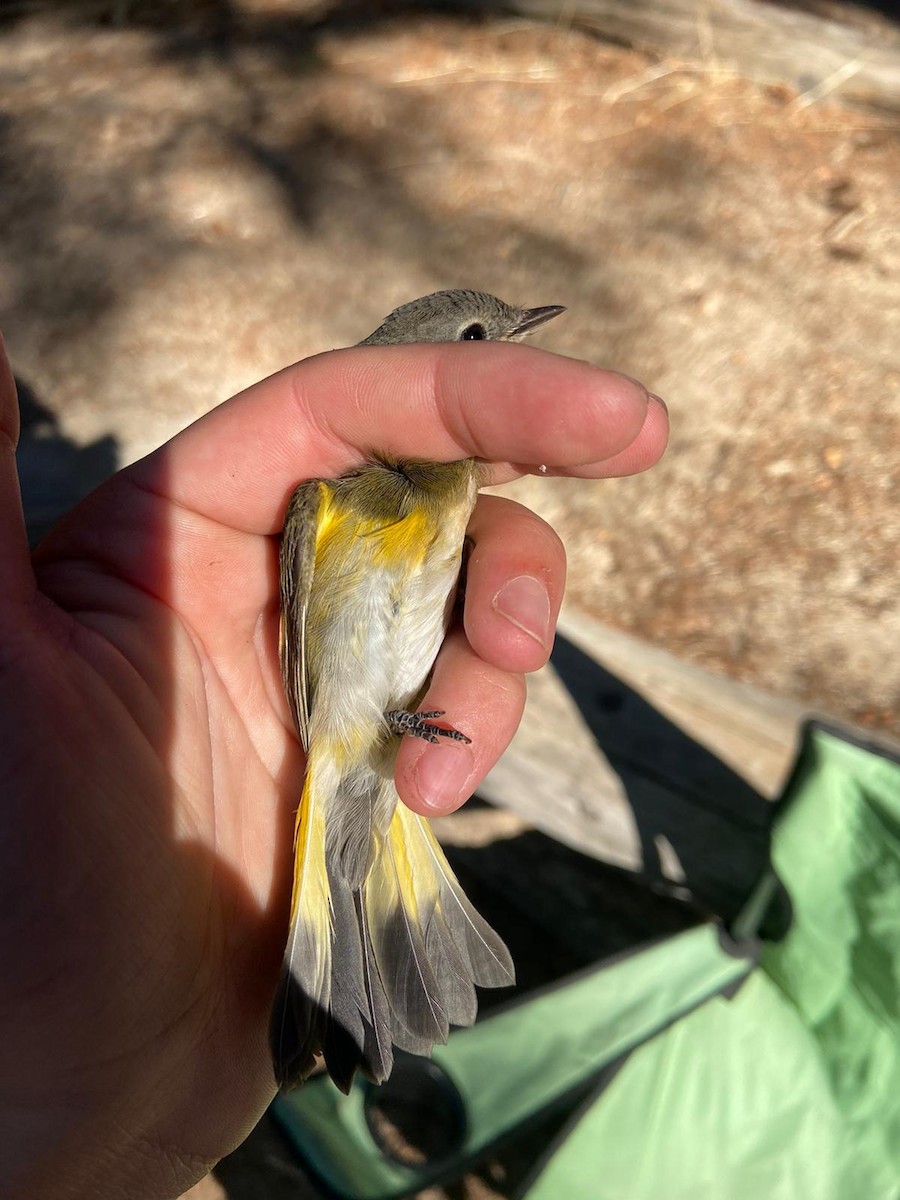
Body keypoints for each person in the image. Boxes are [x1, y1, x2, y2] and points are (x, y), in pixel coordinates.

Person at [0, 329, 667, 1199]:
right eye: (477, 334)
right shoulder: (321, 501)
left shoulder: (459, 498)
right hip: (349, 731)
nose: (498, 340)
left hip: (367, 742)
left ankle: (329, 966)